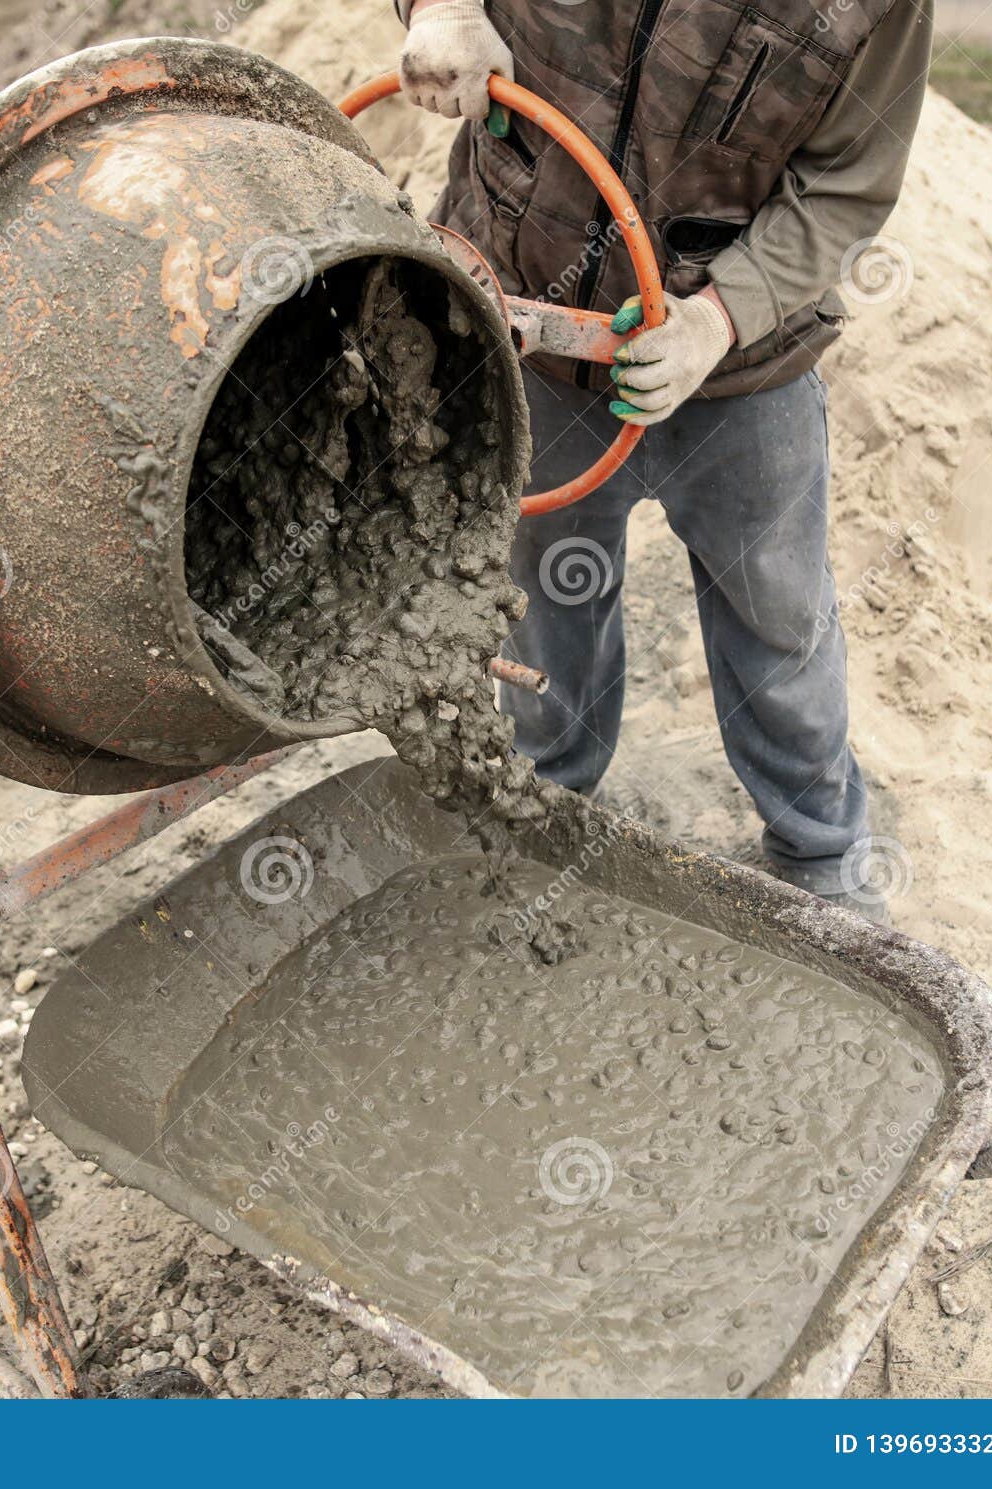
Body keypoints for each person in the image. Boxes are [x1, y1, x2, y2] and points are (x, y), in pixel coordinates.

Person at [394, 0, 933, 922]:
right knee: (545, 597)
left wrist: (719, 321)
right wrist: (439, 8)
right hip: (530, 326)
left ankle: (819, 850)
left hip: (742, 366)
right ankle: (548, 811)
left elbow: (847, 185)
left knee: (779, 610)